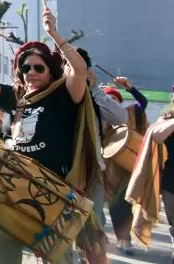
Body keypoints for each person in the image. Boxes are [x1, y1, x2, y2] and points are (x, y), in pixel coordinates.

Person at [0, 13, 106, 264]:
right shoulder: (14, 97)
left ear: (51, 70)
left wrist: (55, 33)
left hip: (53, 191)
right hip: (11, 186)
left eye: (38, 67)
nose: (30, 72)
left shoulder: (64, 94)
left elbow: (79, 69)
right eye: (25, 68)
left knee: (56, 257)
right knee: (4, 251)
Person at [72, 47, 127, 241]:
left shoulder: (94, 96)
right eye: (69, 65)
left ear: (87, 71)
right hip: (61, 174)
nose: (73, 70)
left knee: (93, 229)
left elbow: (120, 116)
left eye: (79, 66)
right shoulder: (56, 93)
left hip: (92, 173)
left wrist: (94, 89)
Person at [102, 76, 148, 255]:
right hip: (107, 168)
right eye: (107, 100)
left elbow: (142, 102)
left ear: (120, 102)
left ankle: (125, 238)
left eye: (114, 99)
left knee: (126, 205)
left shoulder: (129, 113)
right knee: (114, 206)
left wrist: (130, 87)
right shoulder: (97, 117)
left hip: (129, 168)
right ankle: (119, 239)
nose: (111, 102)